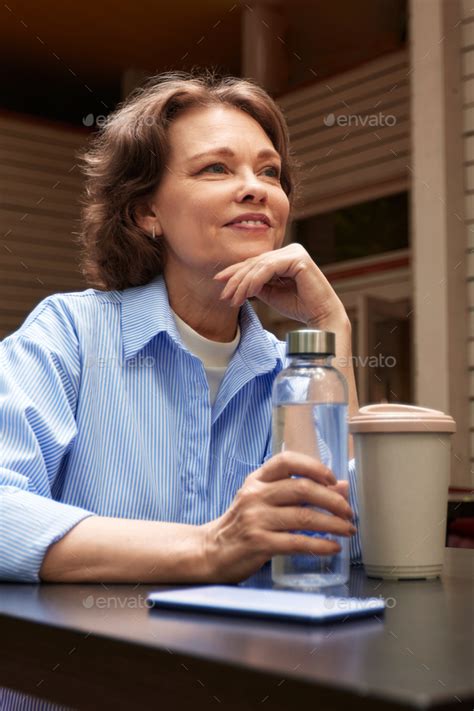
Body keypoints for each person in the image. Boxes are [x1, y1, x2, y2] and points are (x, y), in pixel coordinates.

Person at [0, 70, 360, 587]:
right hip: (95, 661)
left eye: (269, 172)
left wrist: (330, 331)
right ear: (148, 211)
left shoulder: (293, 373)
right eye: (217, 168)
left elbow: (342, 542)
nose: (255, 189)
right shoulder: (70, 334)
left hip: (259, 661)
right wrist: (214, 547)